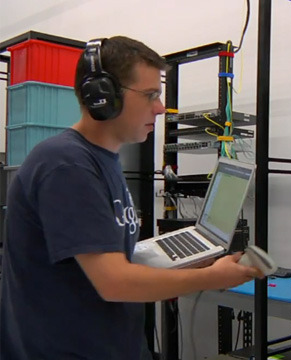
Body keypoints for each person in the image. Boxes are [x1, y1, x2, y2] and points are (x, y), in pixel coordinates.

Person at [0, 36, 262, 359]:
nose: (161, 107)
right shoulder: (65, 166)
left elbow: (109, 263)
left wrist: (186, 268)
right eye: (151, 95)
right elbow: (114, 282)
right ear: (104, 98)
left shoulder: (102, 160)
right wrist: (209, 277)